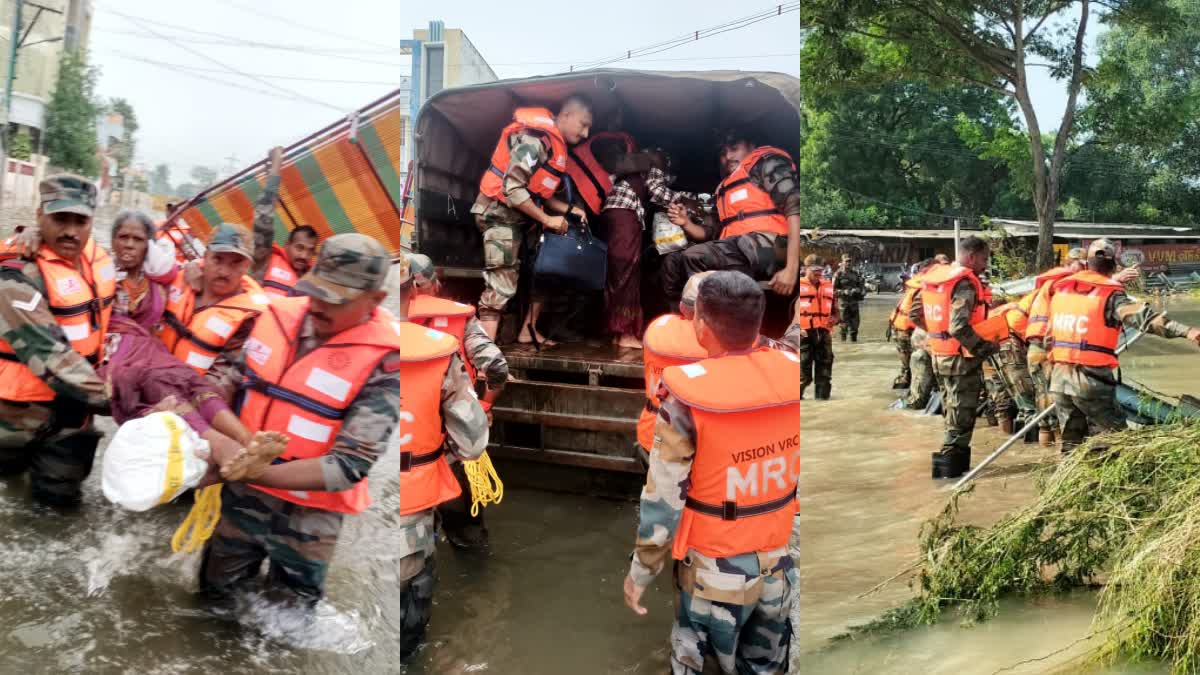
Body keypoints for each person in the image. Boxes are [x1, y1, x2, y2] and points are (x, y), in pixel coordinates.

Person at [198, 234, 428, 612]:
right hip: (242, 503)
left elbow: (348, 466)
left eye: (338, 298)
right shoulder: (276, 317)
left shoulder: (386, 364)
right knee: (213, 603)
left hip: (310, 521)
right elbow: (233, 380)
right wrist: (198, 423)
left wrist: (245, 471)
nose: (319, 305)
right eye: (317, 291)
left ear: (376, 300)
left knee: (286, 627)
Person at [622, 271, 800, 675]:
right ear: (757, 323)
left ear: (700, 323)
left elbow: (663, 500)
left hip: (713, 577)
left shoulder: (686, 397)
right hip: (778, 570)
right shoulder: (793, 377)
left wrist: (640, 572)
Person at [390, 255, 490, 661]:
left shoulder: (335, 346)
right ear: (414, 289)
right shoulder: (438, 351)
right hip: (413, 504)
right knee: (408, 636)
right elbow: (471, 441)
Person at [0, 175, 113, 506]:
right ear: (39, 216)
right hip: (17, 420)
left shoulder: (96, 259)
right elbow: (50, 356)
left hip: (72, 418)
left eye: (80, 221)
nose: (70, 231)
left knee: (59, 509)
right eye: (59, 219)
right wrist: (122, 402)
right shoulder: (16, 274)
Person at [1045, 239, 1200, 453]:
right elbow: (1145, 319)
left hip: (1059, 378)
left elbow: (1047, 339)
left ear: (1088, 264)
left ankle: (1067, 483)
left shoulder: (1063, 292)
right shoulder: (1110, 295)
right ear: (1113, 266)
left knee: (1071, 444)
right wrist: (1188, 331)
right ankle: (1107, 484)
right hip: (1090, 381)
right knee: (1116, 441)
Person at [471, 97, 594, 346]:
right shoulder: (535, 140)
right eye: (583, 124)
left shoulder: (554, 148)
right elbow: (513, 189)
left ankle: (528, 330)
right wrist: (547, 220)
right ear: (566, 114)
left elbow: (540, 195)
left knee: (546, 269)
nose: (586, 132)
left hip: (521, 218)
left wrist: (570, 209)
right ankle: (484, 365)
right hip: (498, 215)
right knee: (500, 288)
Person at [405, 252, 507, 550]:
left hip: (409, 453)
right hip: (455, 446)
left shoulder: (383, 325)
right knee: (467, 537)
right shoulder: (459, 319)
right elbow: (498, 367)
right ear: (435, 285)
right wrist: (485, 406)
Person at [660, 129, 801, 303]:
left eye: (734, 148)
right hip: (738, 249)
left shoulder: (767, 163)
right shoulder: (723, 189)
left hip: (773, 248)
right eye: (723, 153)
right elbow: (708, 233)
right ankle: (683, 322)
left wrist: (791, 269)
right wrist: (686, 223)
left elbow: (795, 209)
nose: (727, 156)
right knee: (672, 262)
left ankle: (711, 321)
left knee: (694, 257)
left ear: (752, 145)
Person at [909, 236, 1001, 479]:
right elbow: (959, 327)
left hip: (939, 355)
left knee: (953, 410)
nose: (984, 264)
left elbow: (915, 314)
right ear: (971, 256)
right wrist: (985, 347)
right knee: (962, 415)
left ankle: (951, 470)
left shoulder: (936, 279)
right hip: (961, 359)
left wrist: (937, 336)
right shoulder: (964, 284)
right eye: (983, 259)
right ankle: (950, 471)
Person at [158, 223, 271, 398]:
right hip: (151, 374)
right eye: (218, 259)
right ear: (205, 256)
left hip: (189, 400)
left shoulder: (249, 319)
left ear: (247, 266)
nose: (224, 271)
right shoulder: (177, 278)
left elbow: (222, 382)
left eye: (236, 263)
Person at [1022, 248, 1086, 446]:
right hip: (1045, 349)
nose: (1084, 269)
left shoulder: (1048, 284)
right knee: (1056, 403)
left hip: (1035, 348)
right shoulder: (1061, 283)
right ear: (1070, 263)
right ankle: (1060, 459)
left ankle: (1046, 455)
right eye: (1082, 265)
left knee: (1043, 398)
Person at [888, 255, 948, 390]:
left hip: (900, 326)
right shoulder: (925, 283)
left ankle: (909, 395)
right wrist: (932, 330)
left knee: (909, 369)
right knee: (917, 369)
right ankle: (914, 399)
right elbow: (915, 314)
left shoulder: (918, 280)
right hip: (907, 329)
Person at [795, 254, 839, 400]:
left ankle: (822, 404)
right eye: (814, 270)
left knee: (825, 376)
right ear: (805, 269)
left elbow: (836, 312)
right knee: (803, 376)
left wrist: (834, 319)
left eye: (820, 269)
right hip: (803, 334)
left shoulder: (829, 286)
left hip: (824, 334)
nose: (818, 273)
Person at [260, 225, 318, 297]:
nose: (304, 256)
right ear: (287, 244)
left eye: (310, 251)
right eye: (299, 248)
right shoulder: (267, 260)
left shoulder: (315, 277)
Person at [831, 253, 866, 342]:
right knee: (843, 326)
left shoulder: (855, 274)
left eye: (850, 261)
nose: (848, 263)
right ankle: (843, 343)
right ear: (842, 262)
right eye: (846, 261)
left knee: (855, 326)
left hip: (854, 304)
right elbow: (832, 290)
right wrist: (843, 292)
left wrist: (859, 290)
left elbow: (861, 288)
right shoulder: (838, 274)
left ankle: (853, 344)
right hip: (843, 304)